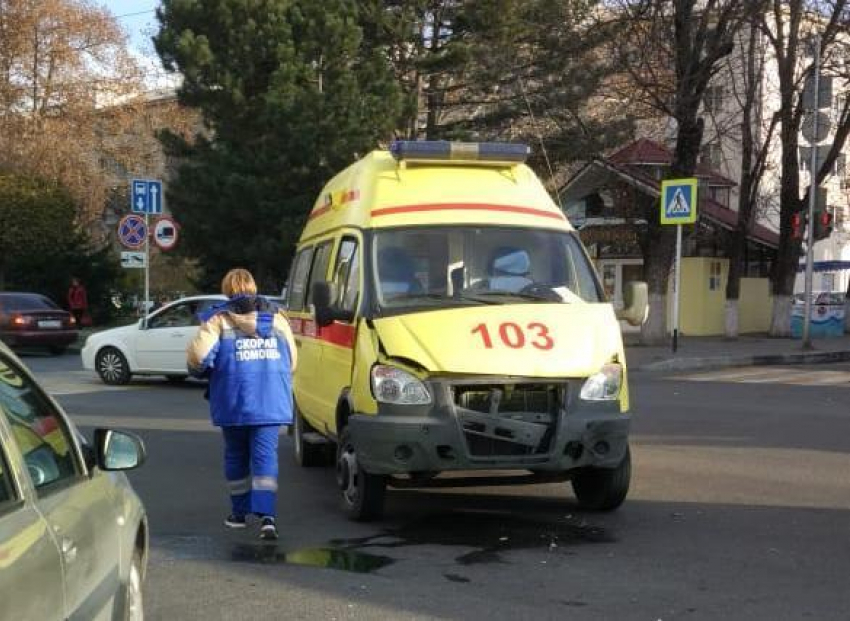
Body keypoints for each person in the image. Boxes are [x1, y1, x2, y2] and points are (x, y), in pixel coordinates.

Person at [187, 269, 297, 541]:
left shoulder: (219, 320)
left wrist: (204, 371)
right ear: (253, 286)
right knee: (265, 458)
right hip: (270, 401)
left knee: (236, 455)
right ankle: (267, 517)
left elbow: (198, 358)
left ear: (227, 289)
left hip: (233, 400)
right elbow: (293, 361)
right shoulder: (278, 318)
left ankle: (238, 514)